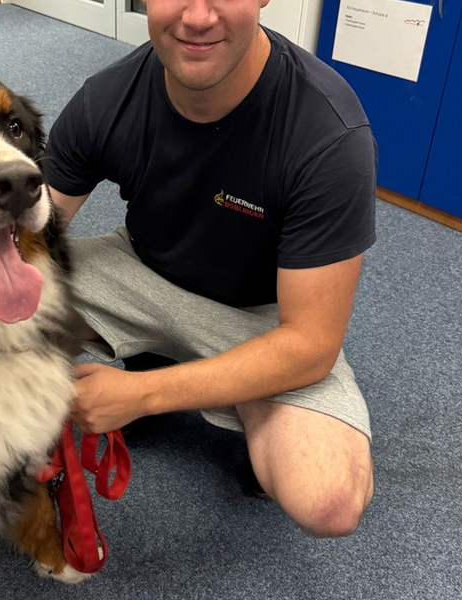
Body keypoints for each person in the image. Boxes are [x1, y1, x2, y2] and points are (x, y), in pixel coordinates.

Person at [44, 0, 376, 538]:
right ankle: (167, 366)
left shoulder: (327, 132)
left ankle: (218, 391)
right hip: (140, 275)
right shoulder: (107, 97)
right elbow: (27, 238)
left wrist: (141, 397)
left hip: (266, 322)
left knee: (327, 500)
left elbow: (313, 342)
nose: (198, 17)